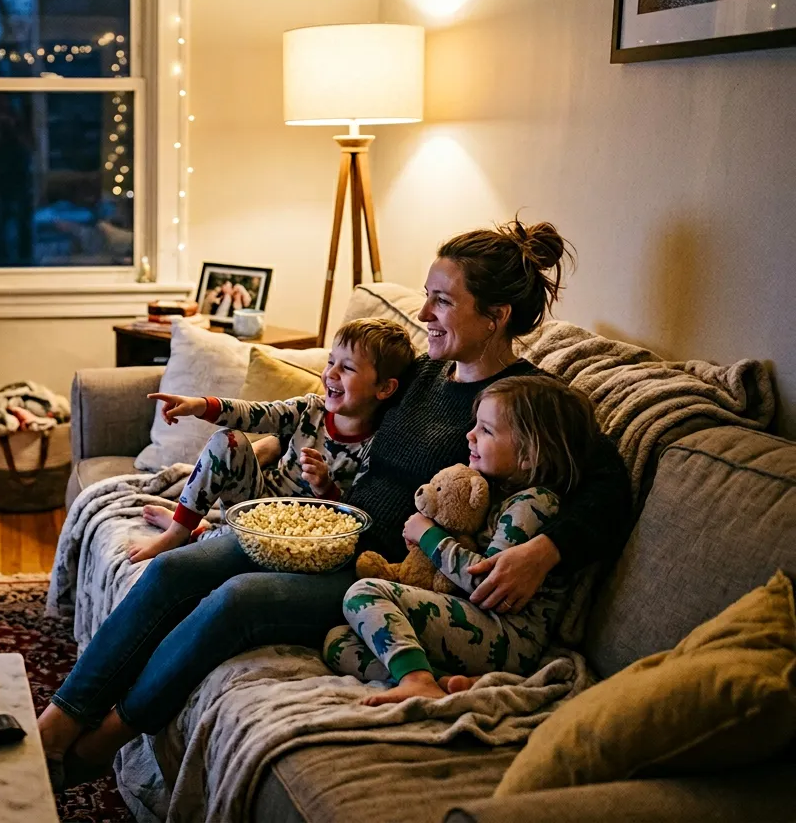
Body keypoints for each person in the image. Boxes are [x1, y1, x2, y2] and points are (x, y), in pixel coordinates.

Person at [36, 218, 634, 789]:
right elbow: (330, 412)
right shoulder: (425, 373)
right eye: (427, 296)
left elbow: (611, 486)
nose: (423, 314)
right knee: (171, 569)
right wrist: (271, 447)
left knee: (235, 601)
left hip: (384, 570)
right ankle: (59, 721)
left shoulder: (526, 400)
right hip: (322, 529)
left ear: (497, 316)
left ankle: (102, 742)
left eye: (443, 302)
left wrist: (545, 551)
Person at [324, 375, 599, 704]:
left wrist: (428, 536)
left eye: (486, 430)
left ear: (528, 455)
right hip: (472, 625)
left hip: (507, 634)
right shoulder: (492, 494)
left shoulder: (534, 504)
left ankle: (416, 680)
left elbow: (485, 584)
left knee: (364, 594)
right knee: (338, 641)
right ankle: (443, 681)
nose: (469, 435)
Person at [127, 318, 416, 563]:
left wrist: (325, 487)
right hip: (256, 502)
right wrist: (199, 405)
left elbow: (354, 515)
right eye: (331, 362)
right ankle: (177, 531)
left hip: (301, 534)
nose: (331, 373)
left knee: (244, 548)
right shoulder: (309, 409)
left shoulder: (376, 445)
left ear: (385, 388)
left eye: (348, 368)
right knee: (228, 440)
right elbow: (255, 414)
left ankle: (201, 530)